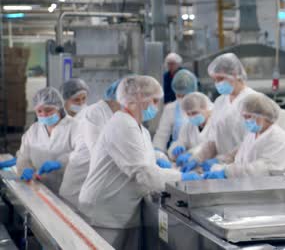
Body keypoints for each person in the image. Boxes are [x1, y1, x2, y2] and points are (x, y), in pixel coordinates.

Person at [78, 75, 200, 249]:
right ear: (138, 99)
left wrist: (161, 163)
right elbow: (145, 174)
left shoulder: (137, 127)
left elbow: (145, 163)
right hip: (104, 212)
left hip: (118, 210)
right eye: (154, 101)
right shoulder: (123, 124)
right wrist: (181, 177)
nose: (156, 107)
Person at [181, 53, 256, 173]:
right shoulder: (220, 101)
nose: (217, 83)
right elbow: (213, 140)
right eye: (214, 79)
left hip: (243, 169)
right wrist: (198, 158)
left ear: (235, 75)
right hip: (221, 169)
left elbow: (252, 142)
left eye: (220, 78)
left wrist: (224, 159)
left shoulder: (253, 100)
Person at [201, 93, 285, 179]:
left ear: (263, 115)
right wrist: (218, 163)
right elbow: (238, 157)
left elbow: (262, 169)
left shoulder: (276, 137)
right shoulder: (253, 134)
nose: (246, 121)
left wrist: (226, 172)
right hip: (258, 186)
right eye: (244, 117)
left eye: (248, 117)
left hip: (281, 189)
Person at [59, 79, 121, 209]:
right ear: (65, 100)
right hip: (71, 183)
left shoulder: (89, 115)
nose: (81, 103)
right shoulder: (86, 117)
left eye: (84, 99)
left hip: (82, 184)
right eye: (76, 100)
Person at [16, 87, 77, 193]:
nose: (43, 114)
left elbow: (83, 154)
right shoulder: (34, 130)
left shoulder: (75, 127)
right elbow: (23, 156)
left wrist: (61, 163)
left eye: (48, 110)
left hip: (69, 190)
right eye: (39, 111)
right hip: (40, 188)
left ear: (58, 107)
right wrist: (25, 168)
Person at [152, 69, 198, 163]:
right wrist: (158, 154)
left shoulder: (205, 107)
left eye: (184, 95)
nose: (182, 99)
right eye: (179, 95)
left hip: (201, 157)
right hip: (178, 158)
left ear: (193, 91)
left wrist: (196, 154)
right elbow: (161, 136)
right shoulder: (170, 109)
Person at [170, 92, 213, 164]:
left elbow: (210, 146)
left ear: (206, 107)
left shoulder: (216, 123)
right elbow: (181, 141)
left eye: (194, 113)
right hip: (193, 166)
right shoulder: (188, 126)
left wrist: (191, 154)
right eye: (188, 114)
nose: (191, 117)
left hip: (211, 165)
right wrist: (176, 148)